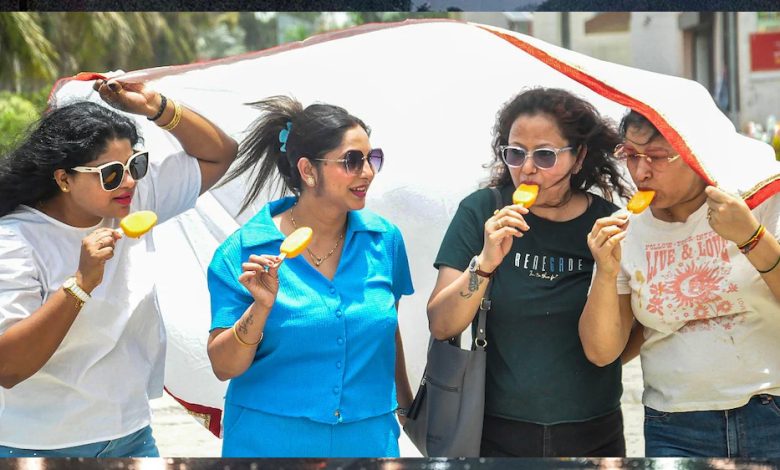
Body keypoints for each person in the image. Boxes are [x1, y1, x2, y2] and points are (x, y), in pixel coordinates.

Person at [0, 79, 238, 457]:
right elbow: (8, 368)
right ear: (63, 178)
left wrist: (156, 106)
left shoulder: (133, 200)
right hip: (40, 445)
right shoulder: (15, 240)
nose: (128, 181)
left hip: (131, 435)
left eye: (135, 164)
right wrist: (80, 285)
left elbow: (220, 154)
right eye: (110, 172)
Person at [426, 87, 633, 457]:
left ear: (578, 156)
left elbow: (611, 349)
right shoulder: (481, 212)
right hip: (496, 433)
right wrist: (485, 263)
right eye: (516, 153)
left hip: (593, 432)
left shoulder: (608, 225)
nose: (527, 168)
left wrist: (605, 269)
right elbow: (442, 325)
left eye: (545, 155)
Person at [206, 96, 414, 457]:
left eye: (372, 158)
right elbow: (224, 367)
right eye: (352, 160)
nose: (367, 172)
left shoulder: (384, 241)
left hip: (368, 442)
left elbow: (386, 331)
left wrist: (408, 410)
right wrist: (260, 308)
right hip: (268, 445)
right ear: (307, 170)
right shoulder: (243, 252)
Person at [580, 109, 780, 458]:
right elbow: (602, 352)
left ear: (695, 153)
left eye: (656, 157)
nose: (640, 172)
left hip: (770, 409)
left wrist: (751, 237)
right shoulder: (626, 230)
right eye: (631, 155)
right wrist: (606, 272)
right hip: (674, 424)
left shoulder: (756, 202)